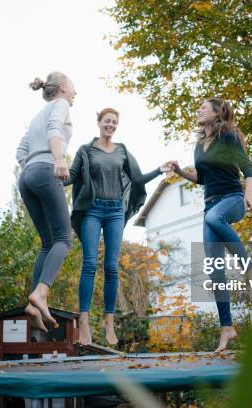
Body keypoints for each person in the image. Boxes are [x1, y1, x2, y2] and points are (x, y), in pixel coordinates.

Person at [64, 107, 170, 345]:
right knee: (90, 263)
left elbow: (137, 179)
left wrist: (159, 170)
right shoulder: (86, 150)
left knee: (111, 267)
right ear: (99, 123)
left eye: (114, 122)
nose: (110, 125)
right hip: (92, 209)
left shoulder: (122, 151)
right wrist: (55, 174)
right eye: (107, 121)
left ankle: (109, 322)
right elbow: (71, 176)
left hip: (115, 212)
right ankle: (83, 322)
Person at [170, 97, 252, 352]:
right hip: (210, 204)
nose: (198, 110)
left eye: (203, 108)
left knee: (214, 218)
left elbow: (247, 167)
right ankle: (227, 328)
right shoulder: (199, 145)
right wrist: (179, 171)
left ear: (217, 113)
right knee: (214, 269)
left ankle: (250, 270)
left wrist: (249, 193)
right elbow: (202, 178)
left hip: (232, 200)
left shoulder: (228, 136)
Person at [15, 71, 77, 332]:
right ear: (63, 87)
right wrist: (59, 159)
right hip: (45, 169)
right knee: (64, 239)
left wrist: (32, 168)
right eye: (74, 88)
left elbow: (20, 152)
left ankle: (32, 303)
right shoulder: (60, 105)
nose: (76, 93)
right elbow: (55, 131)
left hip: (27, 176)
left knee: (48, 243)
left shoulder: (36, 116)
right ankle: (41, 293)